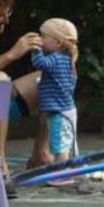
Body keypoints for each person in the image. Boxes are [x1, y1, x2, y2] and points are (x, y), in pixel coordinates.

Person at [0, 0, 47, 191]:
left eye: (6, 14)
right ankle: (1, 166)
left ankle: (40, 155)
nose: (4, 21)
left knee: (47, 79)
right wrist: (12, 54)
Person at [31, 18, 79, 163]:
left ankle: (61, 175)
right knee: (68, 142)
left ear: (58, 42)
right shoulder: (67, 59)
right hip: (66, 110)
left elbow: (39, 63)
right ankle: (72, 169)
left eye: (43, 37)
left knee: (59, 146)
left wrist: (35, 49)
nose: (40, 40)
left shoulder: (55, 59)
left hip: (59, 112)